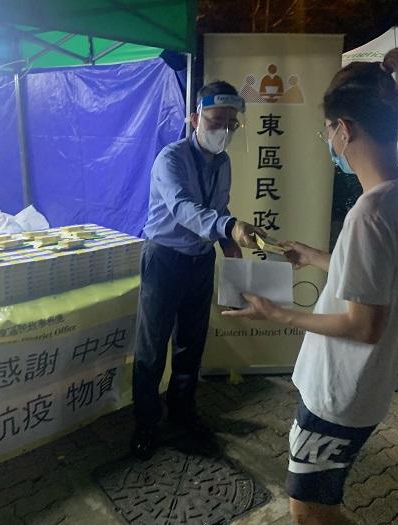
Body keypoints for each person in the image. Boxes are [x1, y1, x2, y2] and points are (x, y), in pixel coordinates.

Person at [224, 48, 398, 525]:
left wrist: (275, 313)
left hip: (340, 394)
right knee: (315, 504)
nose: (328, 140)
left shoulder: (369, 214)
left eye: (327, 130)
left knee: (310, 510)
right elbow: (375, 281)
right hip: (358, 388)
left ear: (345, 129)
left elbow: (365, 325)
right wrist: (315, 257)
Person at [131, 81, 264, 460]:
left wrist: (228, 242)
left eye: (231, 124)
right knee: (152, 348)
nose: (223, 131)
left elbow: (218, 208)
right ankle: (146, 423)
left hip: (200, 261)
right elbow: (183, 209)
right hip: (164, 260)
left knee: (191, 344)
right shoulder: (170, 159)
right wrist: (228, 226)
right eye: (215, 121)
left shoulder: (223, 162)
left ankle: (182, 411)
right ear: (195, 119)